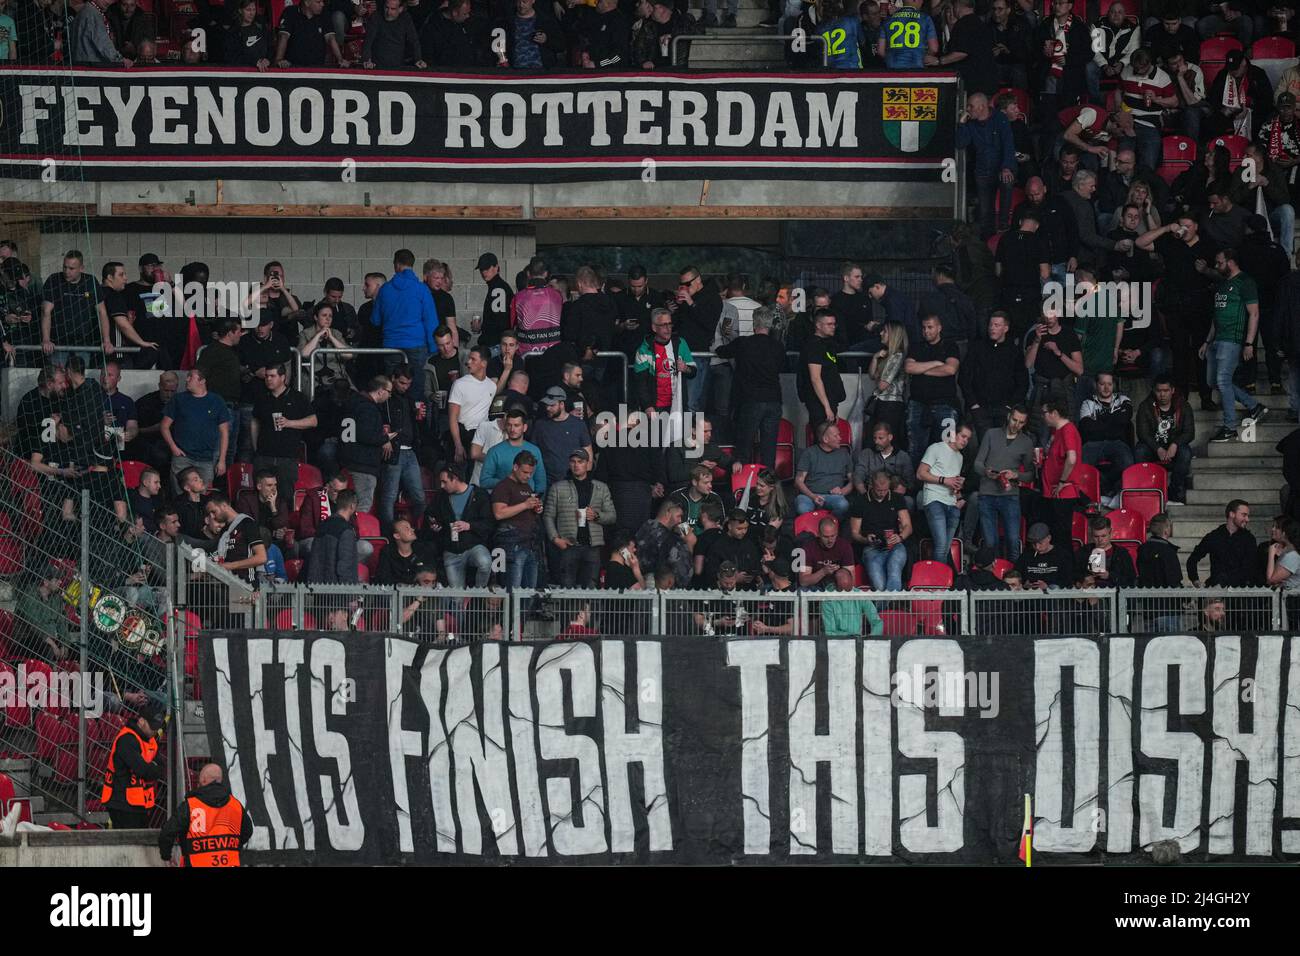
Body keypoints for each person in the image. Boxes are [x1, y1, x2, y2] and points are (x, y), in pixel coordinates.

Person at [1203, 247, 1268, 443]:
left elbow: (1254, 314)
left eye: (1219, 262)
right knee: (1213, 382)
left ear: (1231, 262)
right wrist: (1207, 341)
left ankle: (1230, 427)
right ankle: (1254, 406)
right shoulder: (1223, 284)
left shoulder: (1245, 282)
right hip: (1217, 340)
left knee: (1222, 381)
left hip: (1232, 339)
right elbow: (1216, 316)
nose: (1216, 266)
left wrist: (1249, 343)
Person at [715, 305, 785, 468]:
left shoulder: (743, 343)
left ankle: (742, 487)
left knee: (743, 448)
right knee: (769, 449)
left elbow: (721, 352)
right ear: (769, 325)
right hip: (774, 400)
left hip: (750, 400)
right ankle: (768, 486)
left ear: (754, 324)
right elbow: (783, 366)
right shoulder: (778, 346)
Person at [157, 762, 254, 867]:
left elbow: (167, 832)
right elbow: (248, 831)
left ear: (203, 779)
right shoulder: (235, 805)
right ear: (219, 780)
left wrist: (166, 856)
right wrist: (231, 847)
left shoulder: (190, 805)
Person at [371, 249, 438, 398]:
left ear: (396, 265)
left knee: (392, 388)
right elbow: (431, 321)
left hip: (392, 346)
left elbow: (375, 320)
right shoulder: (422, 289)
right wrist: (433, 348)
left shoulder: (385, 289)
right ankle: (417, 418)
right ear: (412, 265)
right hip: (416, 345)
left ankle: (393, 418)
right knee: (416, 387)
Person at [544, 449, 615, 587]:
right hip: (568, 545)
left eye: (580, 462)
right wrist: (555, 538)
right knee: (566, 588)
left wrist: (596, 515)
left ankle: (586, 610)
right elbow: (548, 516)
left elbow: (612, 516)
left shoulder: (601, 488)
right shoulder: (558, 488)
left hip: (592, 546)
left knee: (590, 589)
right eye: (573, 462)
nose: (576, 465)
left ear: (588, 464)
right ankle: (570, 610)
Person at [973, 404, 1033, 560]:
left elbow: (1030, 475)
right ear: (1008, 417)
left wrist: (1015, 475)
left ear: (1025, 423)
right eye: (1014, 420)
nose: (1016, 425)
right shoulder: (991, 434)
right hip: (987, 493)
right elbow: (977, 463)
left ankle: (1013, 577)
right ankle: (994, 578)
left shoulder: (1026, 442)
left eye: (1021, 422)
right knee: (990, 542)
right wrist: (986, 472)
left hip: (1010, 495)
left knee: (1013, 540)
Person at [249, 363, 315, 501]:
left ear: (283, 377)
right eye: (266, 376)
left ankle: (284, 523)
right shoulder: (262, 398)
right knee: (260, 498)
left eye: (272, 376)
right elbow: (255, 421)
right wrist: (256, 446)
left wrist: (290, 423)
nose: (268, 379)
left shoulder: (298, 397)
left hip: (287, 457)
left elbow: (313, 421)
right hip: (264, 456)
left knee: (285, 498)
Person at [424, 463, 495, 587]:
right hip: (451, 550)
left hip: (474, 545)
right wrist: (434, 525)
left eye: (444, 482)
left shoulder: (479, 494)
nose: (441, 485)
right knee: (457, 599)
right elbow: (430, 515)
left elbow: (489, 523)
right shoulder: (441, 496)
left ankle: (478, 594)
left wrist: (469, 525)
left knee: (485, 563)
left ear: (455, 479)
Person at [161, 368, 231, 494]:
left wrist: (222, 460)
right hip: (182, 456)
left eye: (190, 377)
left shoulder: (216, 401)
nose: (186, 379)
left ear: (202, 380)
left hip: (207, 457)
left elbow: (224, 432)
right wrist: (173, 448)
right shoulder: (178, 399)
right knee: (179, 494)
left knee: (204, 496)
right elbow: (164, 426)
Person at [960, 311, 1029, 440]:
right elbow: (964, 377)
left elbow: (1023, 382)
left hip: (1004, 410)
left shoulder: (1014, 352)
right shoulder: (977, 348)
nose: (992, 328)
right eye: (991, 325)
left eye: (997, 325)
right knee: (984, 448)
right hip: (980, 409)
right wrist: (973, 404)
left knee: (1002, 449)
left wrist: (1011, 405)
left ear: (1006, 328)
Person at [956, 92, 1015, 240]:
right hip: (982, 171)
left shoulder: (1000, 119)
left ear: (982, 107)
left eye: (971, 106)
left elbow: (1008, 144)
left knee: (1007, 182)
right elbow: (960, 143)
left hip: (1001, 167)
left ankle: (1003, 224)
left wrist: (1006, 166)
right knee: (984, 212)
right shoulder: (970, 123)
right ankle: (987, 243)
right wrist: (961, 124)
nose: (968, 109)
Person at [904, 314, 961, 466]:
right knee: (916, 448)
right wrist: (936, 363)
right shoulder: (916, 346)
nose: (926, 331)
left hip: (945, 404)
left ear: (939, 328)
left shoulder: (950, 345)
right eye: (923, 328)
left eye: (930, 327)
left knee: (947, 448)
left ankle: (944, 483)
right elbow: (909, 367)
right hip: (918, 404)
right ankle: (916, 486)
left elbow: (950, 369)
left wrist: (921, 369)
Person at [100, 704, 166, 829]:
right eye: (152, 727)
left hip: (140, 802)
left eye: (157, 728)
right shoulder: (126, 739)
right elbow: (142, 770)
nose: (155, 731)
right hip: (122, 802)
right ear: (141, 721)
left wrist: (149, 768)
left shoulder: (151, 740)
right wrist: (151, 767)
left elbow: (161, 769)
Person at [1135, 374, 1194, 505]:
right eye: (1159, 391)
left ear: (1172, 391)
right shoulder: (1145, 406)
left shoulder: (1183, 406)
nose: (1162, 395)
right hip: (1153, 447)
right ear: (1154, 391)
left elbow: (1190, 433)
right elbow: (1142, 433)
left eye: (1166, 391)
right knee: (1139, 451)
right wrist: (1158, 448)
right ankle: (1146, 490)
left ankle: (1175, 491)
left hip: (1174, 447)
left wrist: (1175, 444)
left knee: (1185, 453)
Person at [338, 376, 393, 513]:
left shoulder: (351, 403)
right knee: (363, 506)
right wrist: (386, 438)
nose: (390, 396)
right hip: (363, 465)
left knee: (346, 506)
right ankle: (357, 534)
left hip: (346, 460)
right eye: (389, 392)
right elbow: (366, 436)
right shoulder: (369, 409)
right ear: (380, 391)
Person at [1078, 372, 1134, 506]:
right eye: (1102, 384)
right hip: (1093, 443)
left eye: (1109, 384)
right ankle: (1093, 495)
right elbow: (1087, 428)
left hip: (1118, 443)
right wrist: (1114, 424)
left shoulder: (1123, 400)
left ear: (1114, 385)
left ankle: (1115, 491)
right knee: (1081, 466)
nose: (1106, 388)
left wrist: (1099, 423)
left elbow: (1125, 419)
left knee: (1127, 463)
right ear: (1096, 385)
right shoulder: (1087, 403)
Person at [491, 450, 544, 588]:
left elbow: (526, 510)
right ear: (515, 467)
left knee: (529, 593)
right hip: (512, 545)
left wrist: (536, 508)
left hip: (530, 544)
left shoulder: (527, 486)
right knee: (513, 591)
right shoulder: (503, 486)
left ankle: (525, 611)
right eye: (525, 472)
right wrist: (525, 504)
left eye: (531, 473)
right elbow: (499, 513)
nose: (528, 476)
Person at [632, 307, 696, 414]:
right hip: (655, 407)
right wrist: (647, 406)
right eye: (663, 325)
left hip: (677, 405)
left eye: (670, 324)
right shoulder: (644, 350)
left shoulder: (680, 343)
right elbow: (640, 382)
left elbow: (693, 372)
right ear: (654, 328)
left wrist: (686, 368)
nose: (668, 328)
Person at [1039, 397, 1084, 550]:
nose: (1042, 416)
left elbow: (1071, 458)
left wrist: (1062, 482)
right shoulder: (1057, 432)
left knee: (1061, 537)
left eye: (1044, 413)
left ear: (1054, 413)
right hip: (1054, 492)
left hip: (1063, 493)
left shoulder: (1068, 430)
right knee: (1057, 535)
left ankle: (1065, 570)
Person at [1187, 498, 1257, 586]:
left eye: (1247, 516)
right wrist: (1195, 580)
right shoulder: (1214, 536)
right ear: (1232, 514)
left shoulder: (1249, 539)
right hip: (1216, 590)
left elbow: (1251, 569)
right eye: (1244, 515)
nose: (1247, 519)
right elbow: (1192, 559)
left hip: (1239, 593)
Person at [531, 385, 592, 485]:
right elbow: (533, 453)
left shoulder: (578, 425)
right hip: (547, 482)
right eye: (546, 405)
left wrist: (584, 481)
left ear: (562, 404)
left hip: (573, 482)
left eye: (552, 405)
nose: (548, 408)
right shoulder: (540, 425)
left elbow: (588, 453)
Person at [793, 419, 854, 517]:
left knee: (843, 505)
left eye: (839, 435)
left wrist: (842, 491)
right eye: (836, 436)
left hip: (834, 497)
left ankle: (830, 526)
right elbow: (798, 481)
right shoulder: (809, 453)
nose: (840, 438)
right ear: (825, 439)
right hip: (809, 495)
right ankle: (814, 529)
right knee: (802, 508)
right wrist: (813, 496)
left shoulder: (844, 454)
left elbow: (853, 481)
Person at [447, 346, 496, 465]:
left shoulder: (492, 386)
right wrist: (458, 445)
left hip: (482, 438)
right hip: (463, 435)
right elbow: (453, 418)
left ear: (483, 363)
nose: (468, 362)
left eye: (473, 359)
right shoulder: (460, 384)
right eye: (469, 359)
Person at [797, 309, 844, 429]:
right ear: (818, 325)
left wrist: (832, 407)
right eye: (829, 324)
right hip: (818, 402)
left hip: (829, 399)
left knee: (830, 436)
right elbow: (815, 378)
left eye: (834, 324)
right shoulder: (813, 346)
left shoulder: (827, 344)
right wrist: (827, 407)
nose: (833, 327)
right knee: (823, 437)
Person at [866, 322, 908, 441]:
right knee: (876, 439)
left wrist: (880, 375)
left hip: (891, 405)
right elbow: (872, 375)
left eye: (884, 331)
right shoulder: (887, 354)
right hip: (883, 403)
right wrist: (875, 358)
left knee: (884, 440)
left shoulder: (897, 356)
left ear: (893, 335)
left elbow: (882, 385)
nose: (881, 333)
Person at [1075, 514, 1136, 587]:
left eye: (1103, 536)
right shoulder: (1084, 551)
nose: (1100, 540)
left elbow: (1131, 580)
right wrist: (1084, 577)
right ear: (1091, 535)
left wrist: (1109, 576)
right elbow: (1073, 573)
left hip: (1114, 592)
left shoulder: (1121, 553)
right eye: (1096, 536)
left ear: (1110, 533)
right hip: (1089, 591)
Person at [798, 515, 857, 590]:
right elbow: (803, 581)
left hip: (837, 586)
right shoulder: (808, 547)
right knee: (802, 590)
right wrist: (823, 572)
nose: (830, 540)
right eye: (826, 537)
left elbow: (851, 580)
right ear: (818, 534)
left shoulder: (845, 546)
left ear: (837, 533)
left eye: (833, 536)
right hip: (816, 586)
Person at [878, 0, 937, 69]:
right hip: (918, 66)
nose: (922, 2)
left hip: (893, 67)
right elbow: (934, 48)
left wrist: (891, 58)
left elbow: (880, 51)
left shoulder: (888, 20)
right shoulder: (925, 18)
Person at [1015, 522, 1073, 590]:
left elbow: (1067, 580)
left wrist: (1047, 586)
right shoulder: (1026, 555)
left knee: (1055, 587)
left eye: (1040, 543)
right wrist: (1024, 584)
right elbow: (1017, 574)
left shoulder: (1062, 555)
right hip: (1031, 593)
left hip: (1054, 594)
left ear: (1049, 538)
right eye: (1033, 544)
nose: (1037, 547)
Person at [1136, 512, 1183, 587]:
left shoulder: (1141, 549)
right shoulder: (1169, 551)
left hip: (1145, 595)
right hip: (1165, 596)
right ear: (1166, 531)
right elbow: (1174, 579)